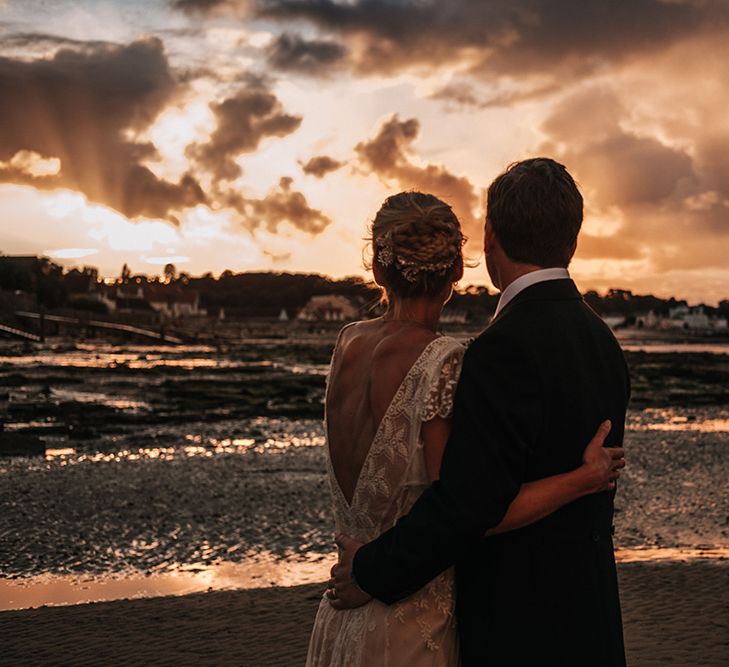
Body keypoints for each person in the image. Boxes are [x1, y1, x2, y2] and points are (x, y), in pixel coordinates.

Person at [309, 186, 626, 666]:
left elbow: (462, 500)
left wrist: (366, 568)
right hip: (409, 612)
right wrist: (582, 479)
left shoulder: (347, 344)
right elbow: (466, 506)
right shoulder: (447, 359)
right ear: (457, 269)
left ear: (376, 267)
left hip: (342, 613)